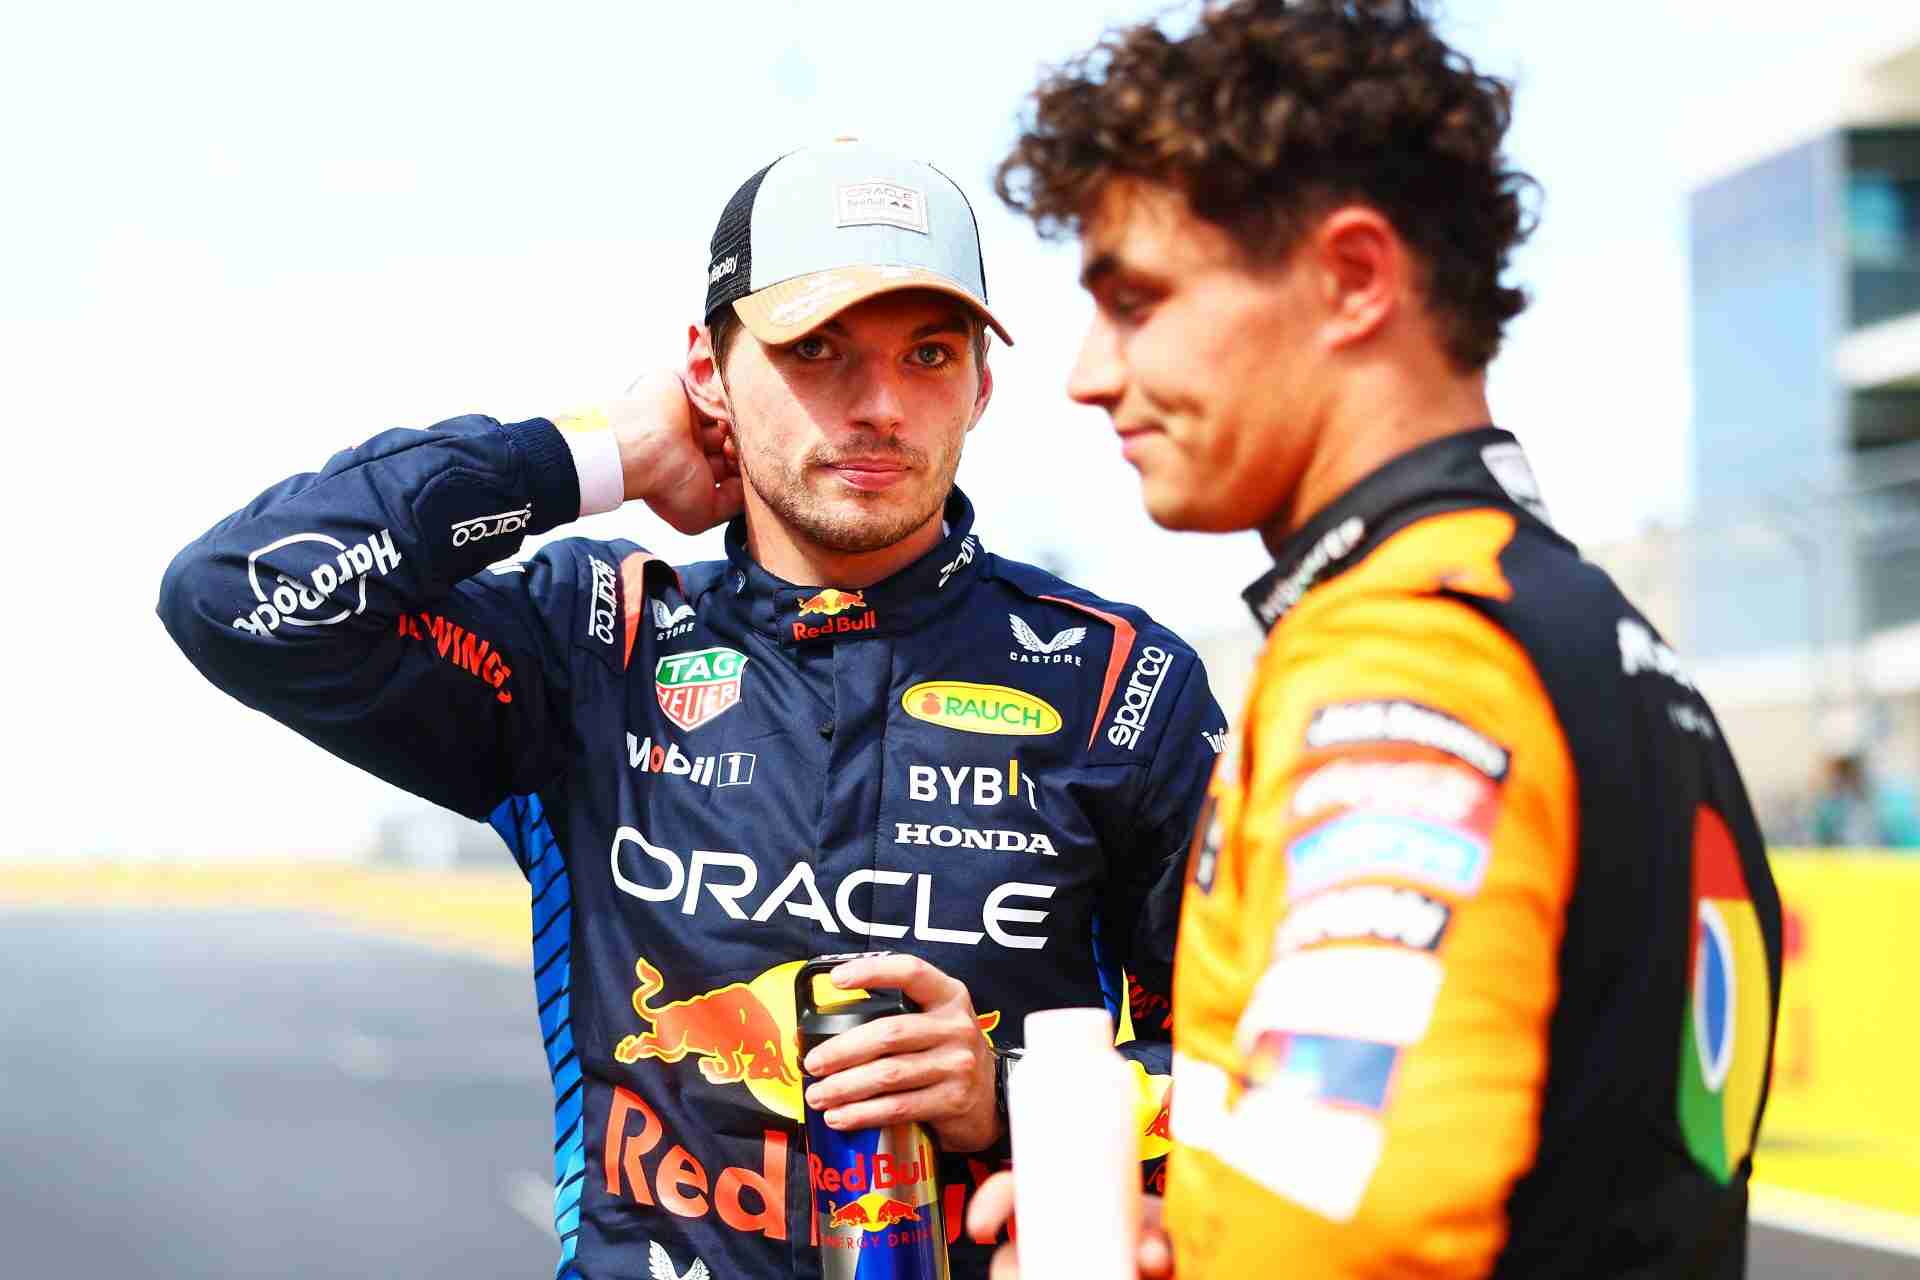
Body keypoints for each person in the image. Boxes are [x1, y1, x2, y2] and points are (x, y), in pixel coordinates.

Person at [158, 139, 1224, 1280]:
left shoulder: (1121, 684)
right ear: (708, 371)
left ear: (983, 383)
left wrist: (1006, 1094)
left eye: (929, 352)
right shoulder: (593, 642)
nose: (880, 406)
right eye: (816, 347)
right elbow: (237, 595)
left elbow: (1266, 1086)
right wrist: (598, 456)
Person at [970, 2, 1784, 1276]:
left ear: (1352, 279)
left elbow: (1361, 1230)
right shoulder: (1578, 624)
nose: (1086, 370)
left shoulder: (1410, 653)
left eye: (1136, 299)